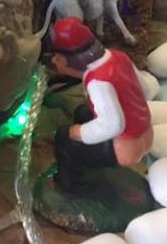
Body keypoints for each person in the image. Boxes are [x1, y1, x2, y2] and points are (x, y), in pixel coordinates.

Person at [50, 17, 153, 192]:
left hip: (125, 147)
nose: (54, 61)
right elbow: (145, 89)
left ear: (68, 59)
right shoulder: (118, 57)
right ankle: (86, 160)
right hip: (146, 133)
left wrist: (79, 132)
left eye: (57, 57)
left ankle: (72, 186)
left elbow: (112, 124)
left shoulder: (98, 82)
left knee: (64, 136)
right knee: (83, 112)